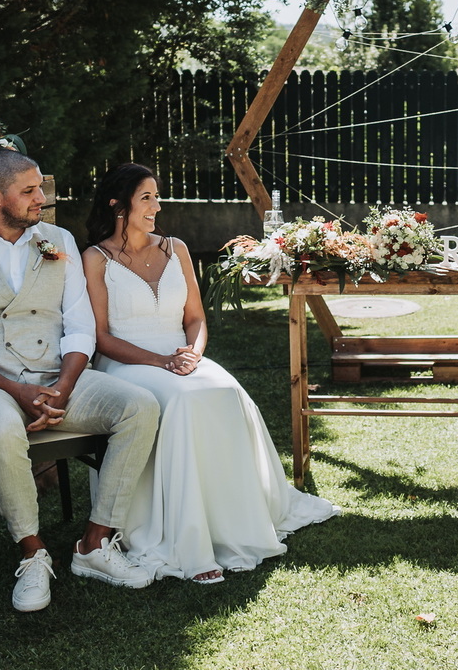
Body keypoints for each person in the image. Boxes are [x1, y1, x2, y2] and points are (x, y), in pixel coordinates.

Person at [0, 150, 162, 612]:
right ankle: (32, 553)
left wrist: (63, 388)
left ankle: (94, 543)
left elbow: (80, 326)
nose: (41, 198)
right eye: (29, 191)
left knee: (140, 406)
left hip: (58, 378)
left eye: (40, 188)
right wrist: (17, 392)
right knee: (0, 429)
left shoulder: (59, 240)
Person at [82, 163, 339, 585]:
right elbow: (101, 337)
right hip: (127, 362)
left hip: (180, 354)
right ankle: (186, 537)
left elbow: (196, 319)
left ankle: (233, 522)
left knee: (225, 389)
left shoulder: (176, 248)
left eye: (156, 197)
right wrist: (160, 362)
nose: (156, 206)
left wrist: (193, 354)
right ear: (118, 205)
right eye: (146, 198)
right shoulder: (96, 258)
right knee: (183, 400)